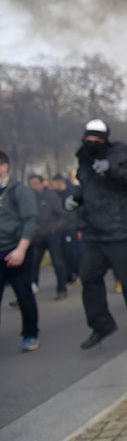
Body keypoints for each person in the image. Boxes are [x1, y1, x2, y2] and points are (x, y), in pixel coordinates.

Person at [67, 119, 127, 348]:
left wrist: (112, 169)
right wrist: (75, 198)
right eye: (88, 139)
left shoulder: (120, 156)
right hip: (94, 234)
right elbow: (85, 188)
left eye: (96, 140)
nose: (91, 143)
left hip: (121, 232)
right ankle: (101, 325)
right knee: (88, 277)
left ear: (105, 140)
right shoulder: (84, 161)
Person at [0, 150, 41, 352]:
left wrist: (21, 249)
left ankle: (30, 334)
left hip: (15, 249)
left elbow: (30, 221)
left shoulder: (19, 191)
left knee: (24, 295)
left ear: (4, 166)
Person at [27, 174, 70, 299]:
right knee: (33, 264)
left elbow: (63, 215)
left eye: (35, 183)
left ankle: (62, 288)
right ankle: (31, 289)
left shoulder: (51, 196)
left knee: (57, 262)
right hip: (37, 236)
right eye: (31, 184)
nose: (33, 186)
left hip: (51, 235)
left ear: (42, 183)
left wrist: (54, 229)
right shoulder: (30, 198)